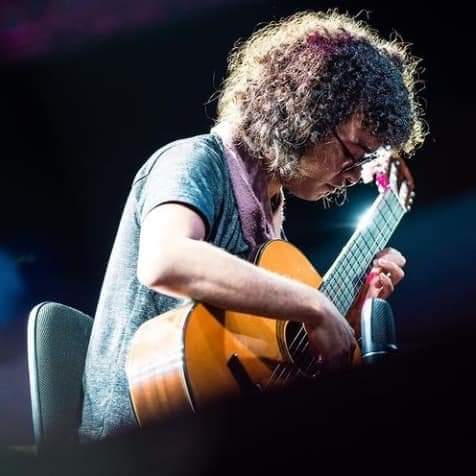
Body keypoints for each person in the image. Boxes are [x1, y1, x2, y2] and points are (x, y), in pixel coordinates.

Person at [79, 10, 426, 441]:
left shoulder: (272, 222)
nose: (355, 175)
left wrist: (351, 315)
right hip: (135, 440)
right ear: (306, 113)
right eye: (352, 153)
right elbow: (165, 260)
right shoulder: (193, 162)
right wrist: (313, 305)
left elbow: (270, 364)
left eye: (366, 162)